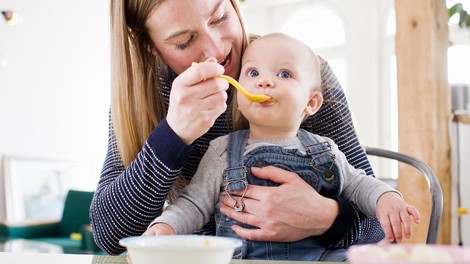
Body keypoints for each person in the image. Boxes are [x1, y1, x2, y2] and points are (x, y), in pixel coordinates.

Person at [90, 0, 387, 255]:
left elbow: (376, 225)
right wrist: (173, 135)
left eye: (220, 17)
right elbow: (110, 236)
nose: (216, 49)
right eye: (184, 40)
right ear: (150, 47)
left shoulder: (299, 76)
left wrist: (327, 218)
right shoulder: (144, 96)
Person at [143, 33, 421, 261]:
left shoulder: (326, 149)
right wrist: (166, 227)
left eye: (284, 74)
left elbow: (360, 184)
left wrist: (387, 199)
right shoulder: (222, 150)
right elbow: (194, 203)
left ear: (311, 103)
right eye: (252, 72)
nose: (264, 81)